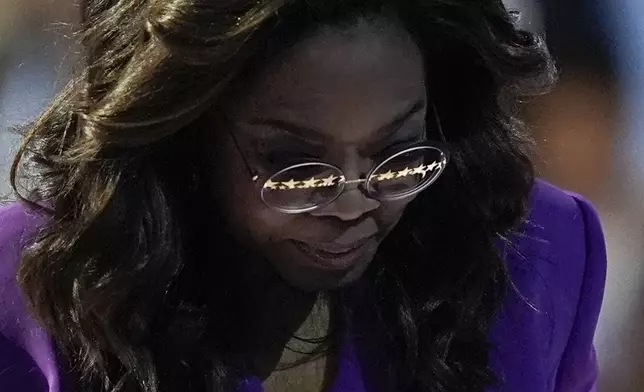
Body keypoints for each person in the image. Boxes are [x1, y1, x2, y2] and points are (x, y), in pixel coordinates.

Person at [0, 0, 606, 391]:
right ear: (188, 125)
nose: (351, 207)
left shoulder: (542, 254)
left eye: (396, 150)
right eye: (291, 162)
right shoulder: (25, 281)